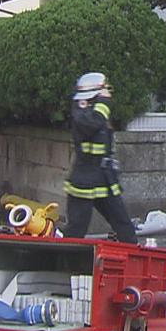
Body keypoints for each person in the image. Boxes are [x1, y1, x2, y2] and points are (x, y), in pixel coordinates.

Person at [63, 72, 137, 243]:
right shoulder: (81, 110)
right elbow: (92, 124)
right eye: (104, 89)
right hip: (84, 179)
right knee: (76, 229)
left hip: (105, 178)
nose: (107, 93)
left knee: (123, 224)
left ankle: (134, 259)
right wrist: (103, 103)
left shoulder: (95, 109)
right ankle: (64, 263)